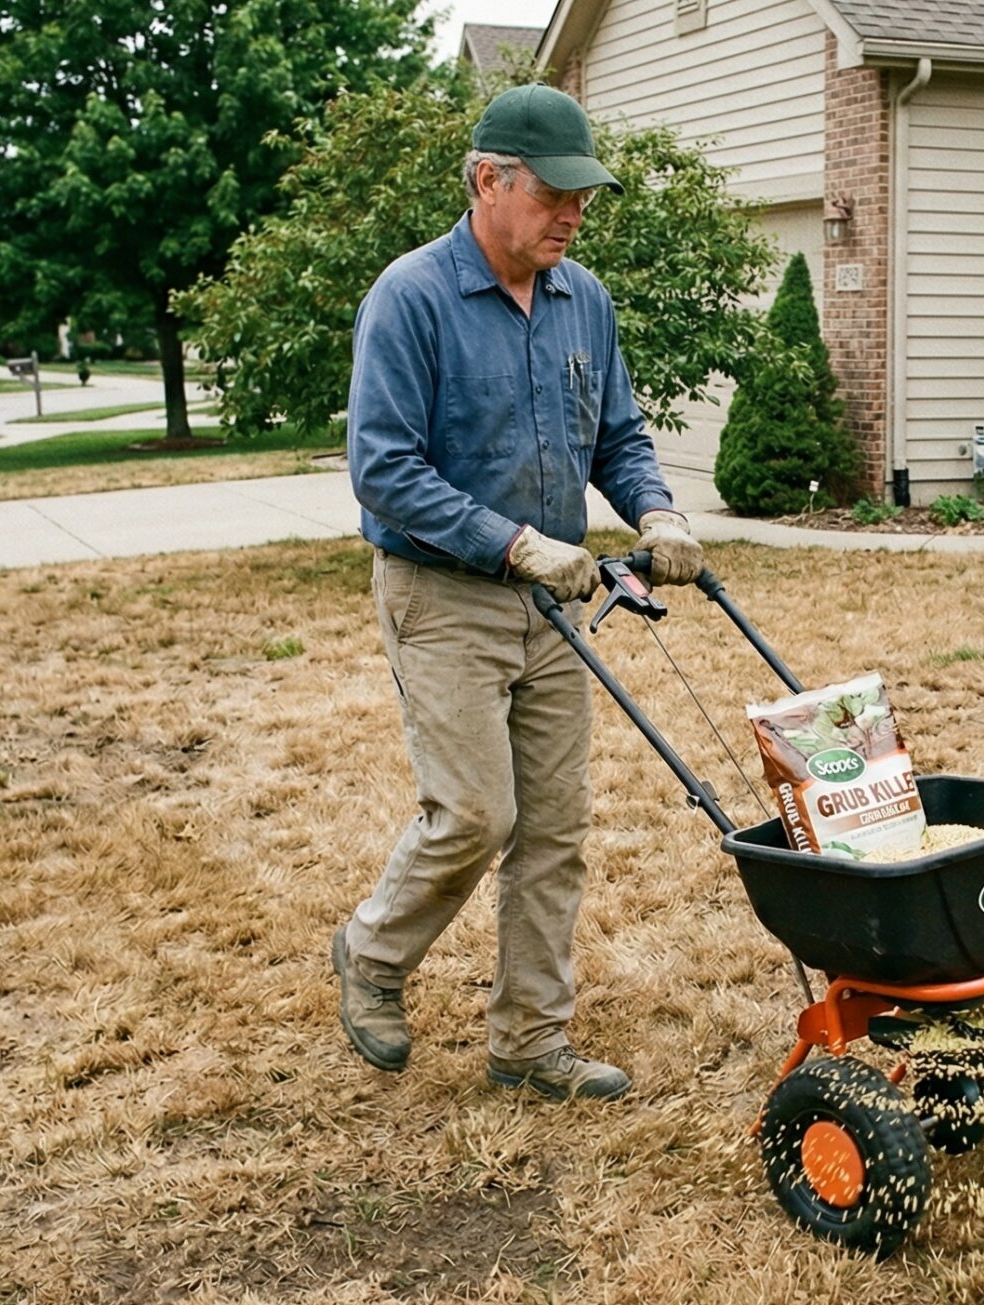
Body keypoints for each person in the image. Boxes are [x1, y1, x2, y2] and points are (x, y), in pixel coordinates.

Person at [332, 83, 706, 1102]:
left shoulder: (584, 299)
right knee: (473, 813)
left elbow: (618, 436)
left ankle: (531, 1039)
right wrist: (513, 544)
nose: (572, 214)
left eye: (583, 196)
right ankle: (371, 951)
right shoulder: (411, 297)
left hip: (554, 602)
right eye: (553, 194)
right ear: (487, 180)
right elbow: (383, 468)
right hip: (445, 592)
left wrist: (658, 512)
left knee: (553, 828)